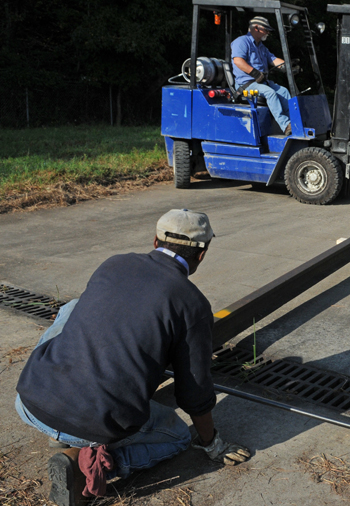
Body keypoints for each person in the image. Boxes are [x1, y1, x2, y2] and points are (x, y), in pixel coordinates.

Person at [15, 209, 251, 506]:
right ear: (202, 254)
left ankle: (60, 431)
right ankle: (87, 466)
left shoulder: (114, 263)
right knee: (178, 436)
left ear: (155, 241)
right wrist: (211, 442)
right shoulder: (192, 303)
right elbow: (194, 392)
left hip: (30, 401)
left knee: (73, 307)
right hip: (94, 424)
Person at [231, 16, 293, 135]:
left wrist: (288, 66)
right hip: (246, 84)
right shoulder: (242, 41)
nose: (268, 33)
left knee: (284, 91)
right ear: (256, 28)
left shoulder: (261, 47)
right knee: (270, 93)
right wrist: (254, 73)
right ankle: (286, 125)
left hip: (261, 82)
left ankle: (294, 122)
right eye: (266, 29)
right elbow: (238, 61)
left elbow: (273, 60)